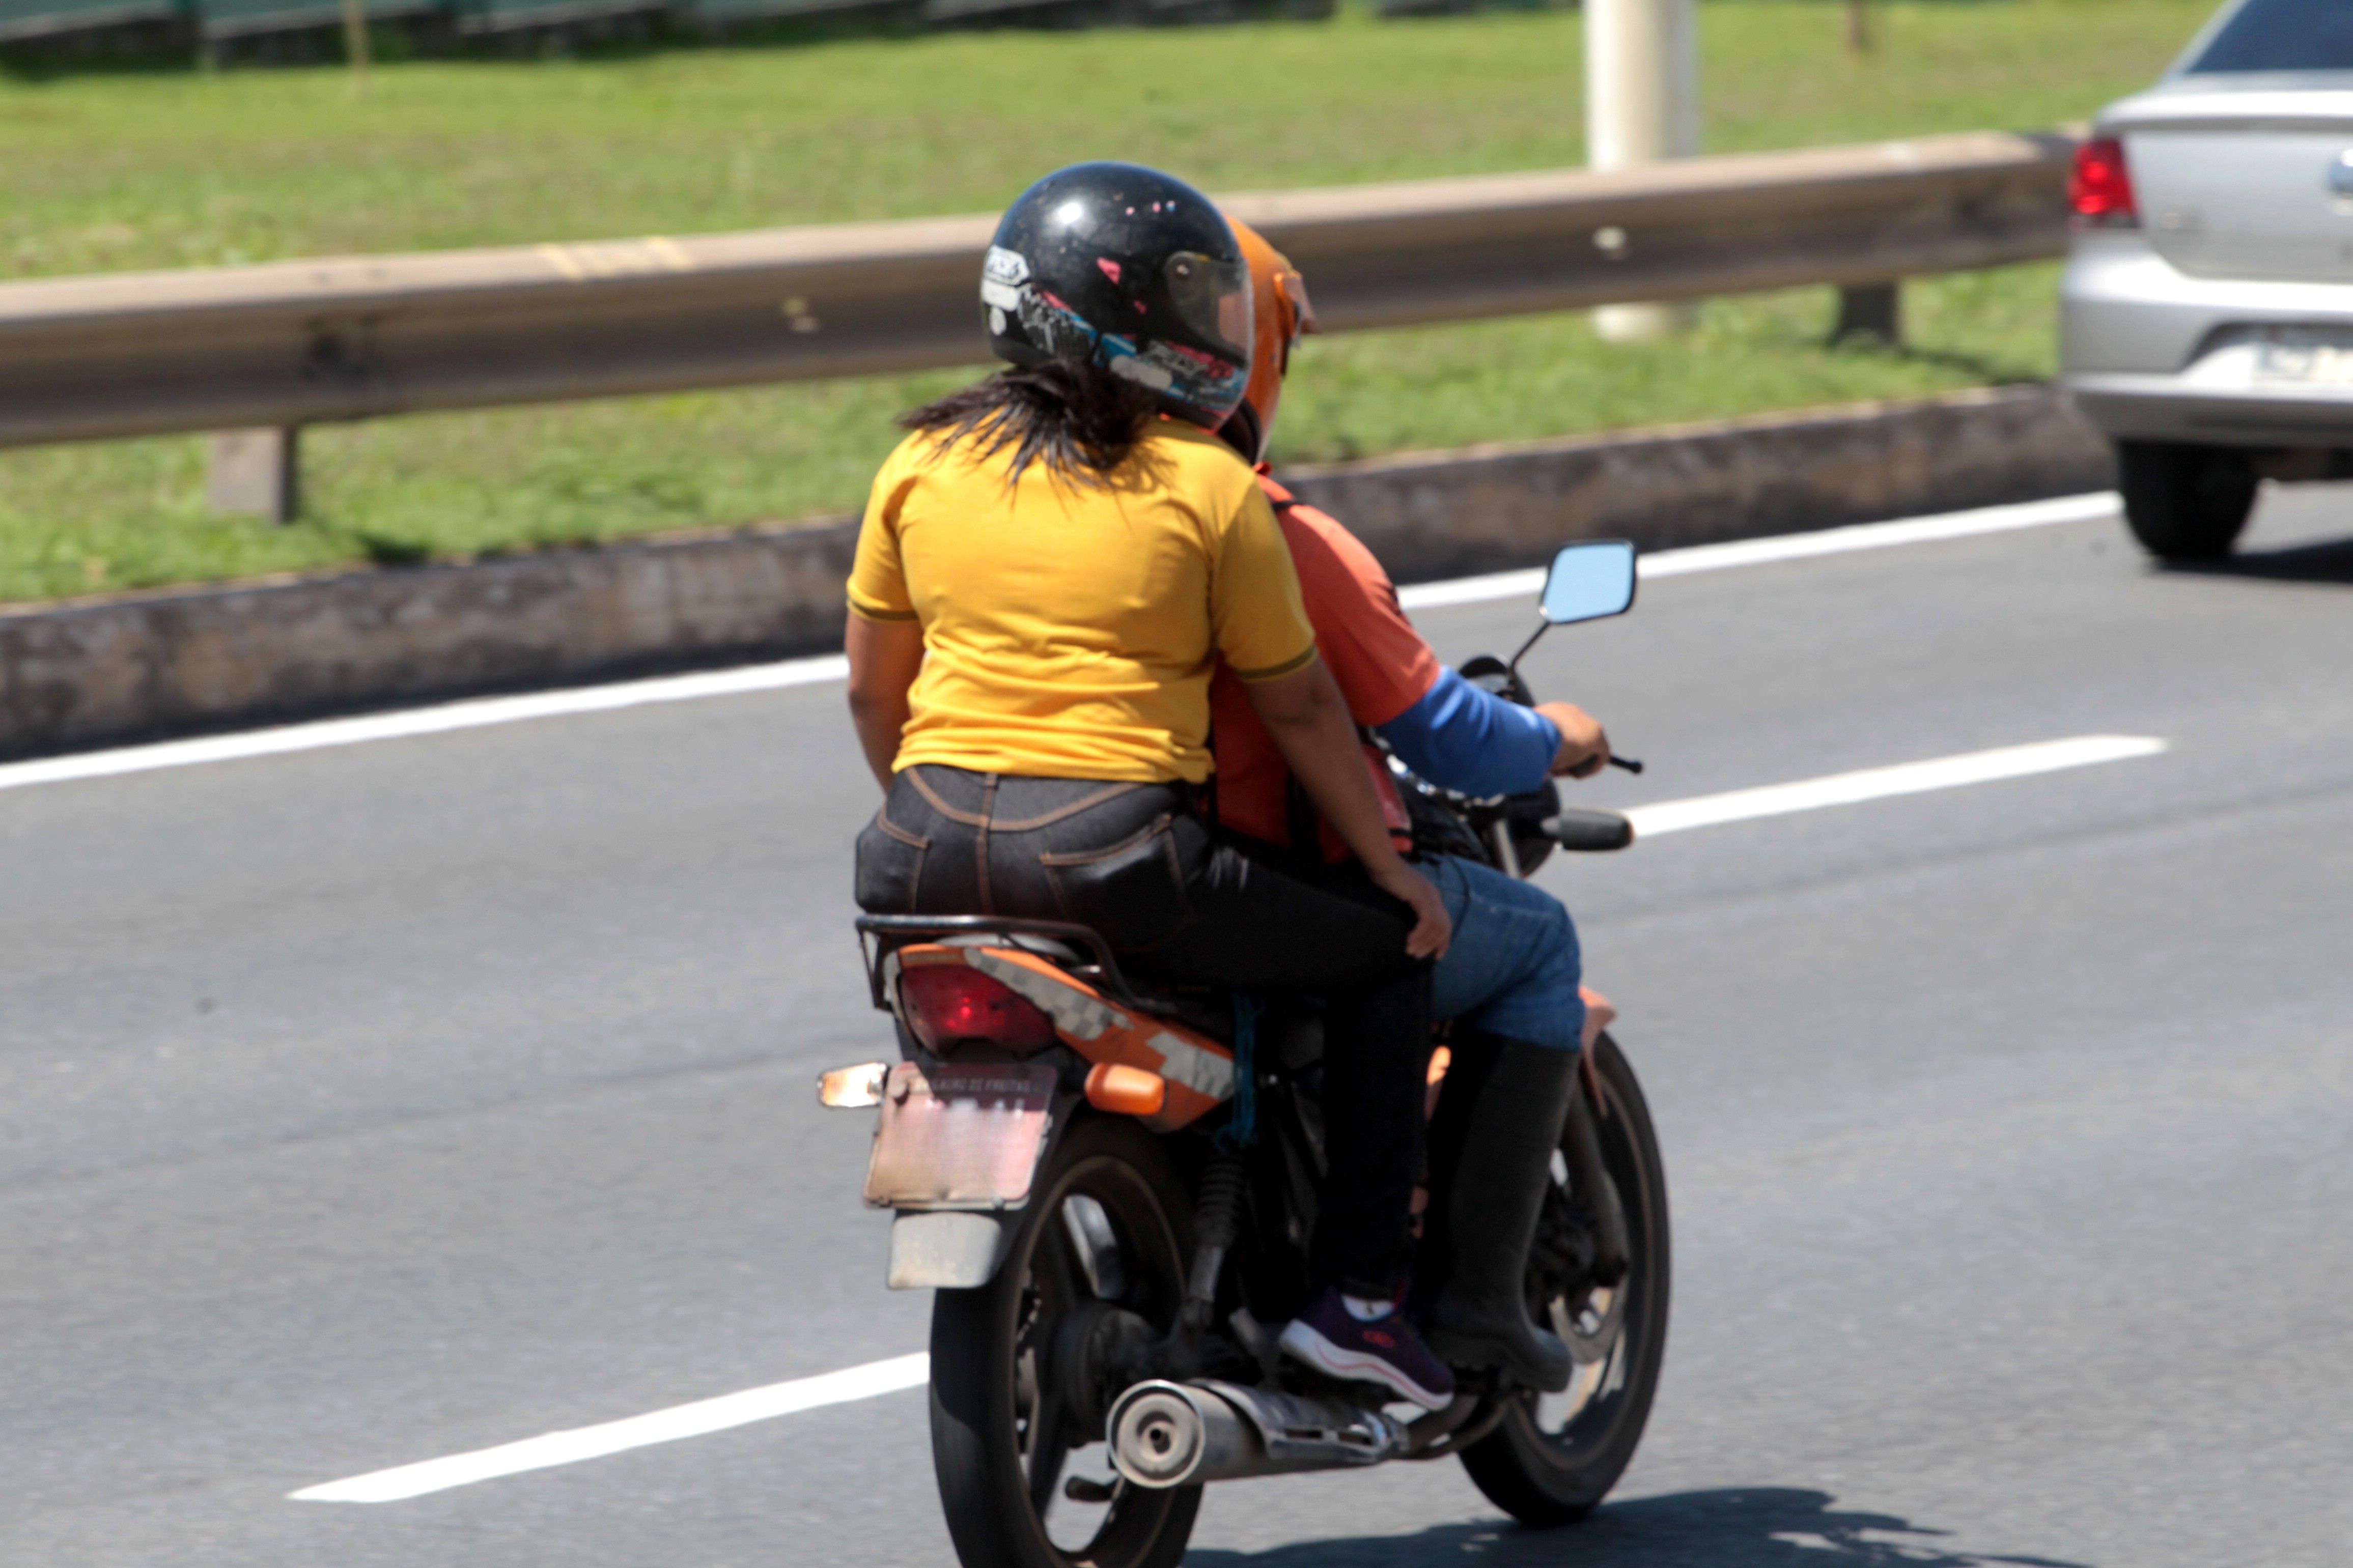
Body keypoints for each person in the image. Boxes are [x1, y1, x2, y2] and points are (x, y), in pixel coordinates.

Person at [843, 162, 1459, 1410]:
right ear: (1132, 322)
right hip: (1118, 857)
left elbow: (871, 691)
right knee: (1386, 951)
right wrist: (1392, 871)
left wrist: (946, 817)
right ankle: (1360, 1302)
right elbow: (1301, 707)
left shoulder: (921, 462)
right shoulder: (1205, 484)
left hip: (910, 855)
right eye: (1188, 299)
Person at [1208, 215, 1614, 1394]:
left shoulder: (1009, 507)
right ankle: (1456, 1304)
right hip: (1250, 878)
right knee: (1526, 940)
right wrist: (1558, 735)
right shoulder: (1268, 530)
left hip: (1016, 855)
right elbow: (1440, 732)